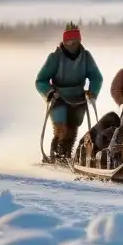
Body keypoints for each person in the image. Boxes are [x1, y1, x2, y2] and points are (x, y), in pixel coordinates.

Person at [35, 21, 103, 161]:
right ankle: (56, 153)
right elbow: (40, 80)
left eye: (75, 41)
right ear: (64, 41)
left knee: (73, 128)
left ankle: (66, 154)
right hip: (58, 97)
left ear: (79, 41)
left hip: (78, 97)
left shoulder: (86, 57)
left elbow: (96, 77)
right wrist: (49, 92)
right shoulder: (55, 57)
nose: (72, 44)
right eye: (69, 41)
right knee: (61, 129)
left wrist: (92, 91)